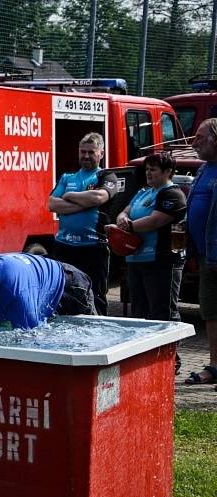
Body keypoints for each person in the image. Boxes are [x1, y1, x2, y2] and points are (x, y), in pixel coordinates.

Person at [110, 152, 187, 322]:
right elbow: (124, 211)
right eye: (147, 169)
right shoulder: (143, 192)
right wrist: (122, 219)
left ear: (168, 171)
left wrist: (127, 226)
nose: (148, 173)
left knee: (163, 314)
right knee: (139, 314)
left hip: (160, 262)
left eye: (153, 169)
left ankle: (171, 349)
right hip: (136, 261)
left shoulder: (173, 194)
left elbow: (155, 221)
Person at [48, 132, 118, 315]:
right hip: (64, 246)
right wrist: (85, 204)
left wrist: (69, 197)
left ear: (101, 153)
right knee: (63, 294)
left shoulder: (107, 176)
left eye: (91, 152)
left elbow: (98, 196)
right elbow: (52, 204)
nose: (86, 156)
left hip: (93, 248)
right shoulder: (67, 177)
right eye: (83, 152)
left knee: (96, 295)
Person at [184, 118, 217, 386]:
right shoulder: (204, 169)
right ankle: (215, 367)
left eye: (199, 137)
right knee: (210, 311)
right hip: (206, 256)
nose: (193, 143)